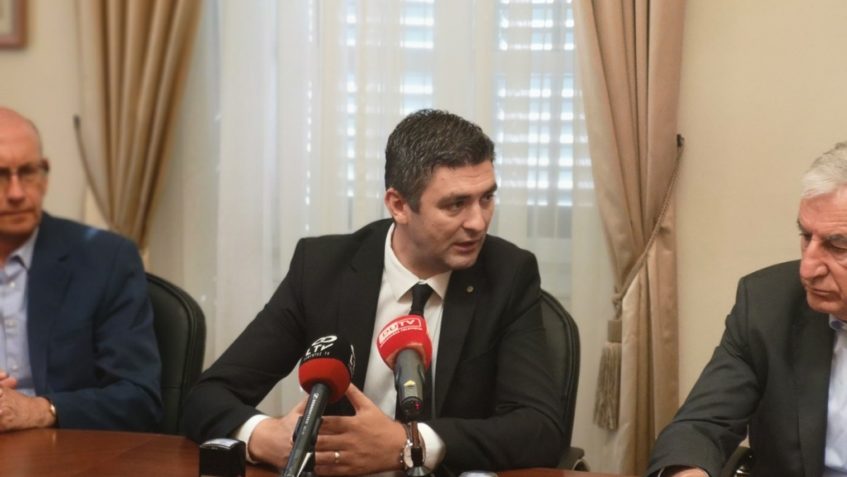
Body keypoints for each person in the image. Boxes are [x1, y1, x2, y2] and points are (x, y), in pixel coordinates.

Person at [183, 109, 564, 475]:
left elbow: (540, 428)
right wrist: (266, 437)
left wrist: (411, 443)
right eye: (456, 205)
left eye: (487, 198)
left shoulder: (508, 274)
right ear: (399, 205)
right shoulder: (321, 269)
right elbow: (207, 397)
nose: (478, 222)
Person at [646, 142, 847, 477]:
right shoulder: (767, 304)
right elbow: (701, 426)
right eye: (805, 235)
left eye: (838, 245)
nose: (808, 269)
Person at [0, 107, 161, 432]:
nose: (16, 193)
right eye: (0, 175)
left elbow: (139, 398)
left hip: (66, 450)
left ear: (45, 175)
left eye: (29, 172)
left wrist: (40, 409)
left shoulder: (106, 260)